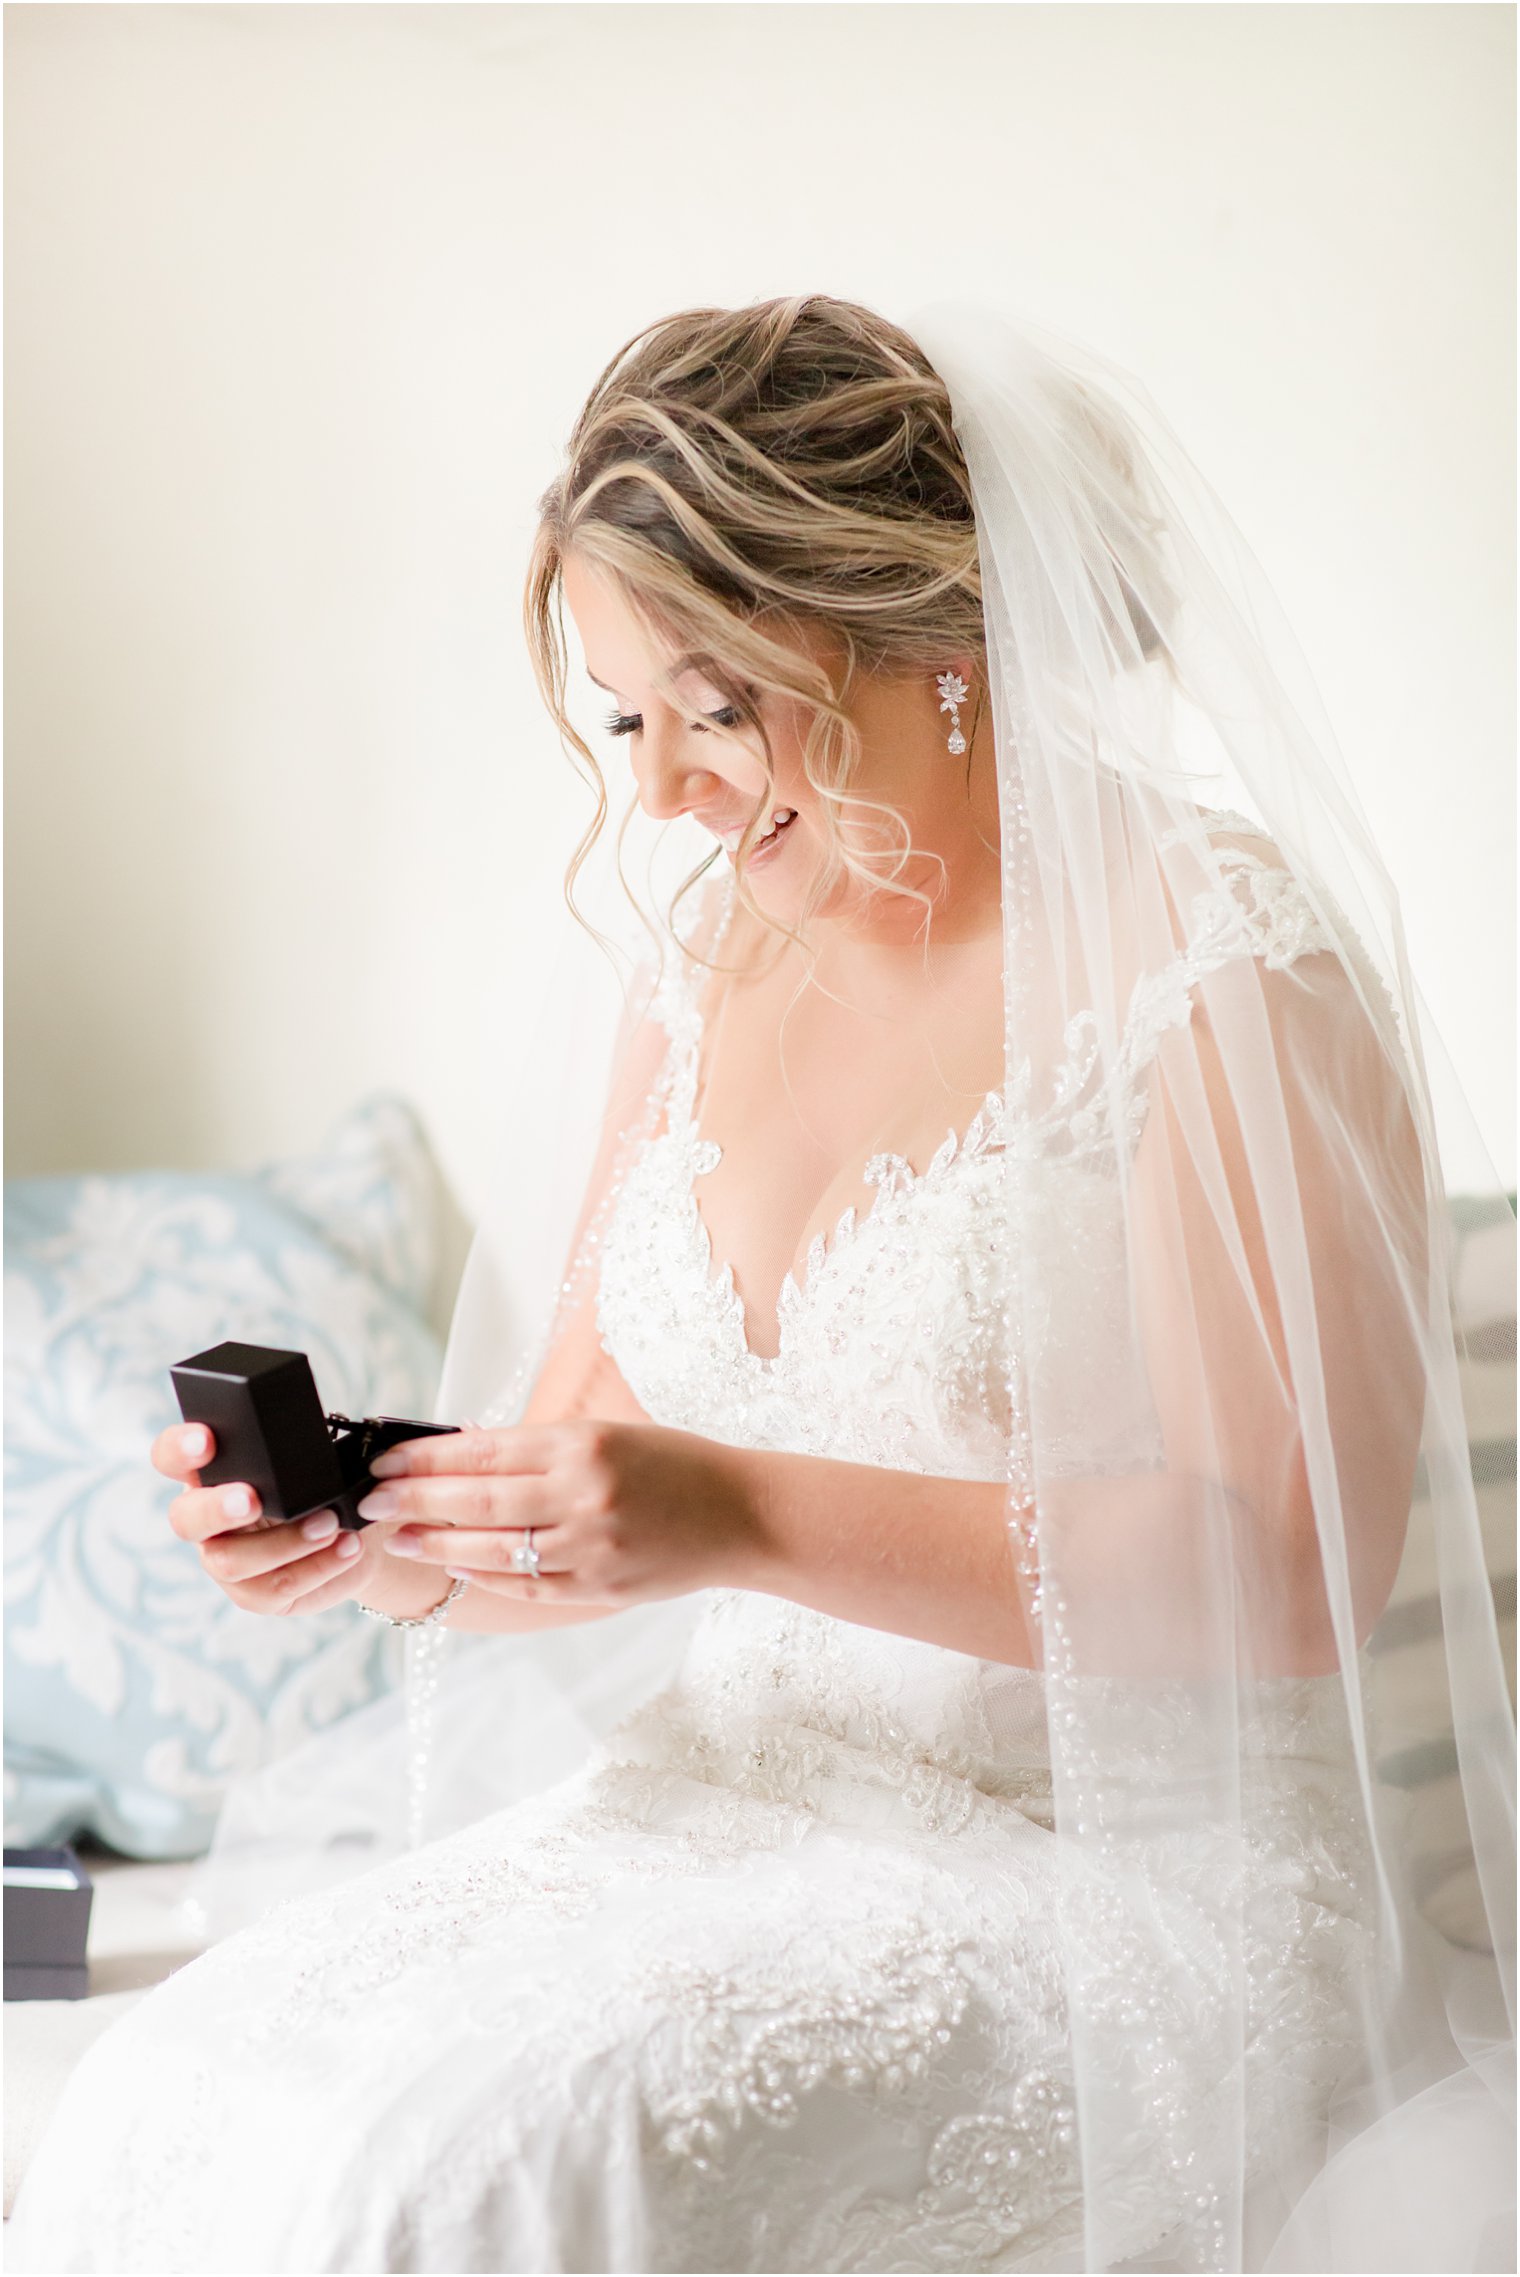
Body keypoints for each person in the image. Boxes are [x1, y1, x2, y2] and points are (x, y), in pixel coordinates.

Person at [6, 295, 1512, 2275]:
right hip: (714, 1808)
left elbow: (1278, 1568)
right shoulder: (704, 964)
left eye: (716, 703)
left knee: (468, 2189)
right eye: (628, 716)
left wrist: (739, 1512)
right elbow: (577, 1458)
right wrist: (373, 1538)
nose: (668, 794)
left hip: (1115, 1866)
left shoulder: (1215, 970)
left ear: (927, 633)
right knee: (167, 2091)